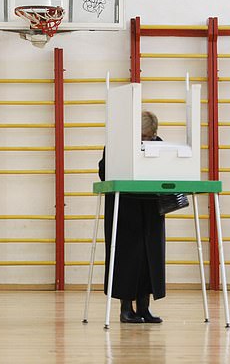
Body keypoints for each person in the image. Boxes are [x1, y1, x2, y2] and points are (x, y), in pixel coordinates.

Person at [98, 110, 165, 324]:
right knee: (126, 258)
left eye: (150, 136)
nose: (148, 140)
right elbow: (103, 172)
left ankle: (144, 307)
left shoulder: (159, 143)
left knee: (149, 257)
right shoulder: (118, 144)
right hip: (125, 207)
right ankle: (125, 308)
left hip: (150, 208)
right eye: (144, 136)